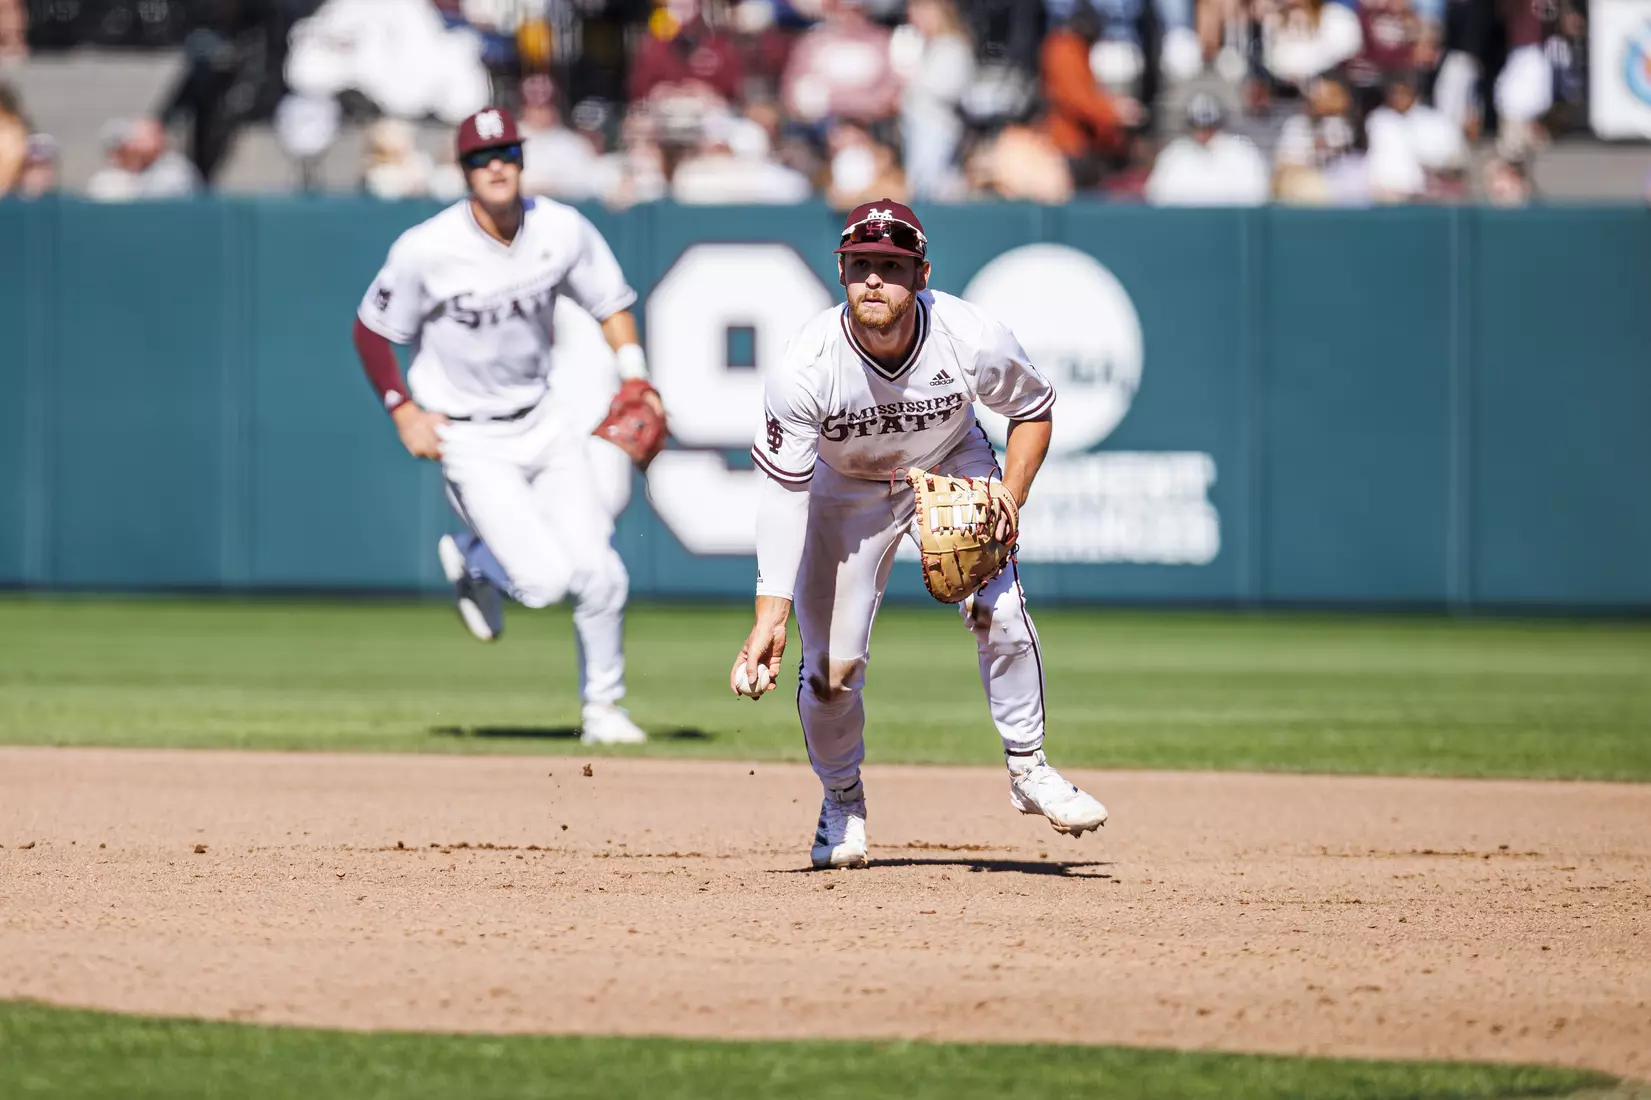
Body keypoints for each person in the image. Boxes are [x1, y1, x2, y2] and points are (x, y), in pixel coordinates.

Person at [729, 200, 1108, 870]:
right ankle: (842, 800)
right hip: (842, 491)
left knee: (1004, 614)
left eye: (892, 267)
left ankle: (1028, 770)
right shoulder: (805, 367)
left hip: (948, 462)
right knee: (829, 678)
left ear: (921, 274)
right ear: (841, 272)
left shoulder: (970, 335)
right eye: (861, 265)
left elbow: (1033, 410)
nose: (874, 279)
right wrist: (770, 614)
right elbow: (785, 492)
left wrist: (1007, 501)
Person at [352, 107, 665, 746]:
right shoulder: (427, 248)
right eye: (479, 158)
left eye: (504, 154)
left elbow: (611, 303)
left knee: (603, 574)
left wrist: (635, 375)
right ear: (463, 169)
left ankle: (603, 710)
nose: (494, 166)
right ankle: (470, 555)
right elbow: (372, 330)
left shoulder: (559, 229)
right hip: (468, 435)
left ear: (520, 160)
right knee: (544, 583)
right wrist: (401, 408)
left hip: (544, 419)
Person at [1143, 92, 1270, 206]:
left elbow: (1256, 195)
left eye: (1209, 126)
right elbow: (1156, 195)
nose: (1203, 133)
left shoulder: (1242, 152)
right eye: (1197, 126)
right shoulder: (1175, 154)